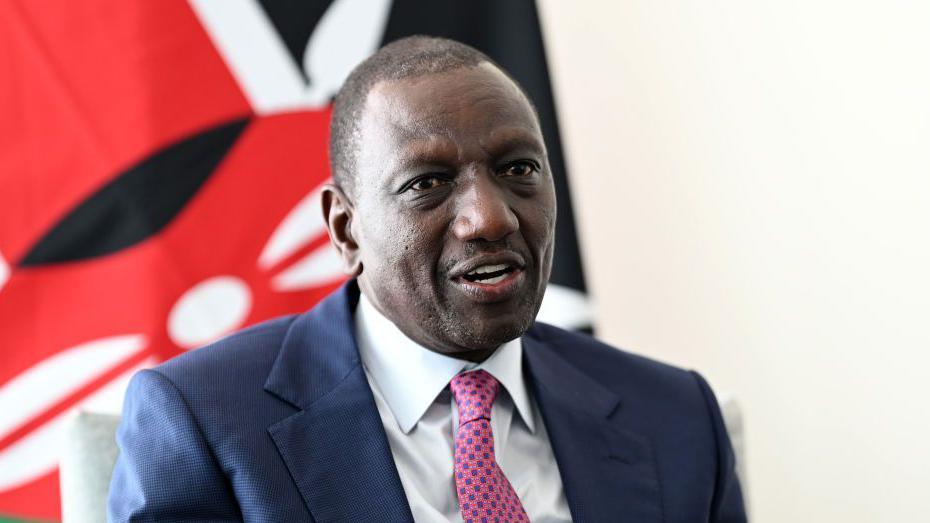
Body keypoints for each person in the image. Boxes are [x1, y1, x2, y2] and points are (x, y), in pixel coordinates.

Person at [108, 36, 746, 522]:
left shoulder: (676, 417)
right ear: (345, 229)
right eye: (427, 184)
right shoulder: (205, 422)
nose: (489, 219)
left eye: (518, 168)